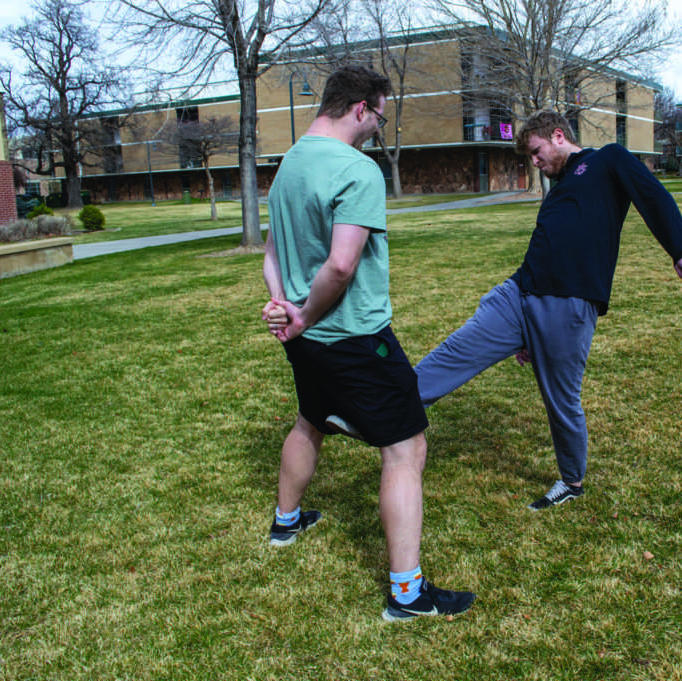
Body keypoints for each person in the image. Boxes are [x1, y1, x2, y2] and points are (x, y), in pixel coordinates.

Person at [260, 65, 474, 621]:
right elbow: (341, 263)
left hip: (305, 340)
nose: (379, 126)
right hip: (354, 339)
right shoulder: (357, 171)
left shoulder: (288, 165)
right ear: (360, 107)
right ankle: (407, 595)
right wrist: (303, 313)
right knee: (406, 450)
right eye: (380, 115)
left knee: (311, 420)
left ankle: (287, 522)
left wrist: (284, 308)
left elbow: (272, 254)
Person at [415, 109, 682, 511]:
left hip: (569, 303)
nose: (533, 162)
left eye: (535, 153)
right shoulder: (558, 190)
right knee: (455, 351)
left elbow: (653, 196)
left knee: (561, 399)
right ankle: (389, 405)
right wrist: (526, 330)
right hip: (519, 293)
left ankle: (571, 480)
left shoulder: (608, 159)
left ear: (557, 136)